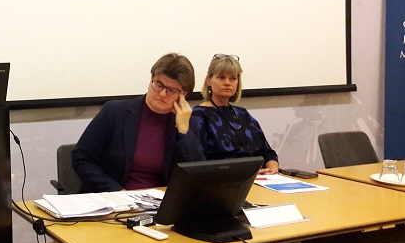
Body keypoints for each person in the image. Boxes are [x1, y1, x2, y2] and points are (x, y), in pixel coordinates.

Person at [72, 53, 205, 192]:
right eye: (159, 84)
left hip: (160, 201)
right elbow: (81, 158)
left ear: (183, 95)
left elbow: (196, 175)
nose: (162, 93)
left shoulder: (186, 122)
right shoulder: (114, 112)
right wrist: (117, 192)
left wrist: (183, 130)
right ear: (150, 81)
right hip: (114, 198)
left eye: (171, 90)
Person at [190, 54, 278, 174]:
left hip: (260, 179)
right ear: (208, 80)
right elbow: (200, 161)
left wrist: (273, 168)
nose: (227, 83)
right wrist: (246, 172)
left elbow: (268, 152)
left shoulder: (243, 114)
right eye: (221, 77)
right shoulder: (198, 115)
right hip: (224, 180)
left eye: (233, 78)